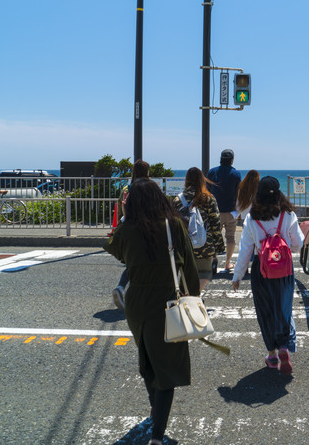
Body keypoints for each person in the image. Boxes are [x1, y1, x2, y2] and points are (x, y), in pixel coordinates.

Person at [104, 179, 200, 445]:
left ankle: (153, 406)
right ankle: (158, 435)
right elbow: (189, 267)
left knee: (146, 357)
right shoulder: (174, 225)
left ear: (132, 203)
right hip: (167, 301)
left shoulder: (130, 229)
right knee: (166, 366)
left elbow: (114, 249)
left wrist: (124, 217)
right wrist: (192, 298)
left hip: (136, 302)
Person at [232, 177, 304, 374]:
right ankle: (284, 347)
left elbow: (245, 250)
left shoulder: (251, 217)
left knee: (265, 311)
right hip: (284, 269)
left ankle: (272, 355)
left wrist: (237, 276)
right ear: (279, 193)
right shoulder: (288, 215)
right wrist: (288, 248)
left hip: (261, 270)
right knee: (284, 309)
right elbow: (298, 243)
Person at [172, 167, 225, 291]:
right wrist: (218, 245)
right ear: (202, 180)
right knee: (205, 273)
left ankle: (185, 297)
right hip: (204, 244)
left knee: (185, 275)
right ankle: (193, 296)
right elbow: (215, 223)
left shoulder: (178, 200)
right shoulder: (208, 198)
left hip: (184, 245)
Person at [112, 159, 150, 311]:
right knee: (147, 261)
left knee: (131, 262)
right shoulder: (148, 187)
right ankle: (141, 296)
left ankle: (121, 288)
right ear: (147, 172)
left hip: (126, 229)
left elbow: (121, 208)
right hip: (144, 229)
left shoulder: (127, 188)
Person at [207, 149, 242, 272]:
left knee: (213, 237)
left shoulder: (212, 172)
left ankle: (213, 261)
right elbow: (239, 193)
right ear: (232, 160)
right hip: (231, 212)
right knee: (230, 237)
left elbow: (207, 191)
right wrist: (239, 210)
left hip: (214, 212)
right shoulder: (236, 174)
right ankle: (227, 263)